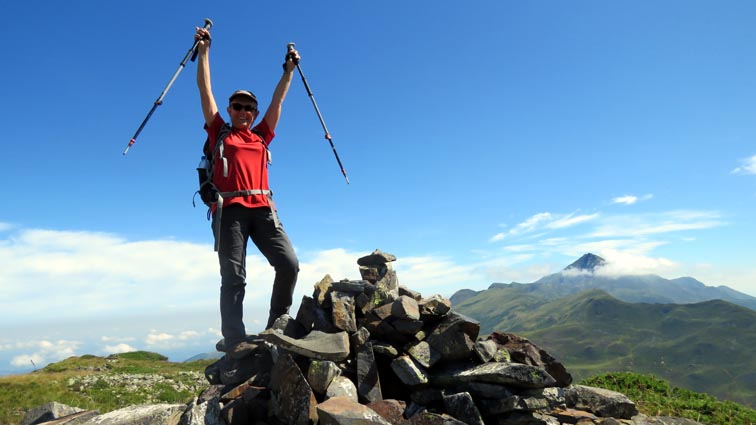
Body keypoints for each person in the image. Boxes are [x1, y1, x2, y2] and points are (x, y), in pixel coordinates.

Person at [194, 26, 300, 359]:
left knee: (289, 265)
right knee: (234, 276)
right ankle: (235, 339)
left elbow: (278, 100)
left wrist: (289, 72)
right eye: (238, 106)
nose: (244, 111)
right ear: (229, 110)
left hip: (264, 208)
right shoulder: (218, 132)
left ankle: (276, 325)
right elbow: (204, 88)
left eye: (249, 108)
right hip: (230, 211)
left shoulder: (261, 136)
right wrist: (204, 53)